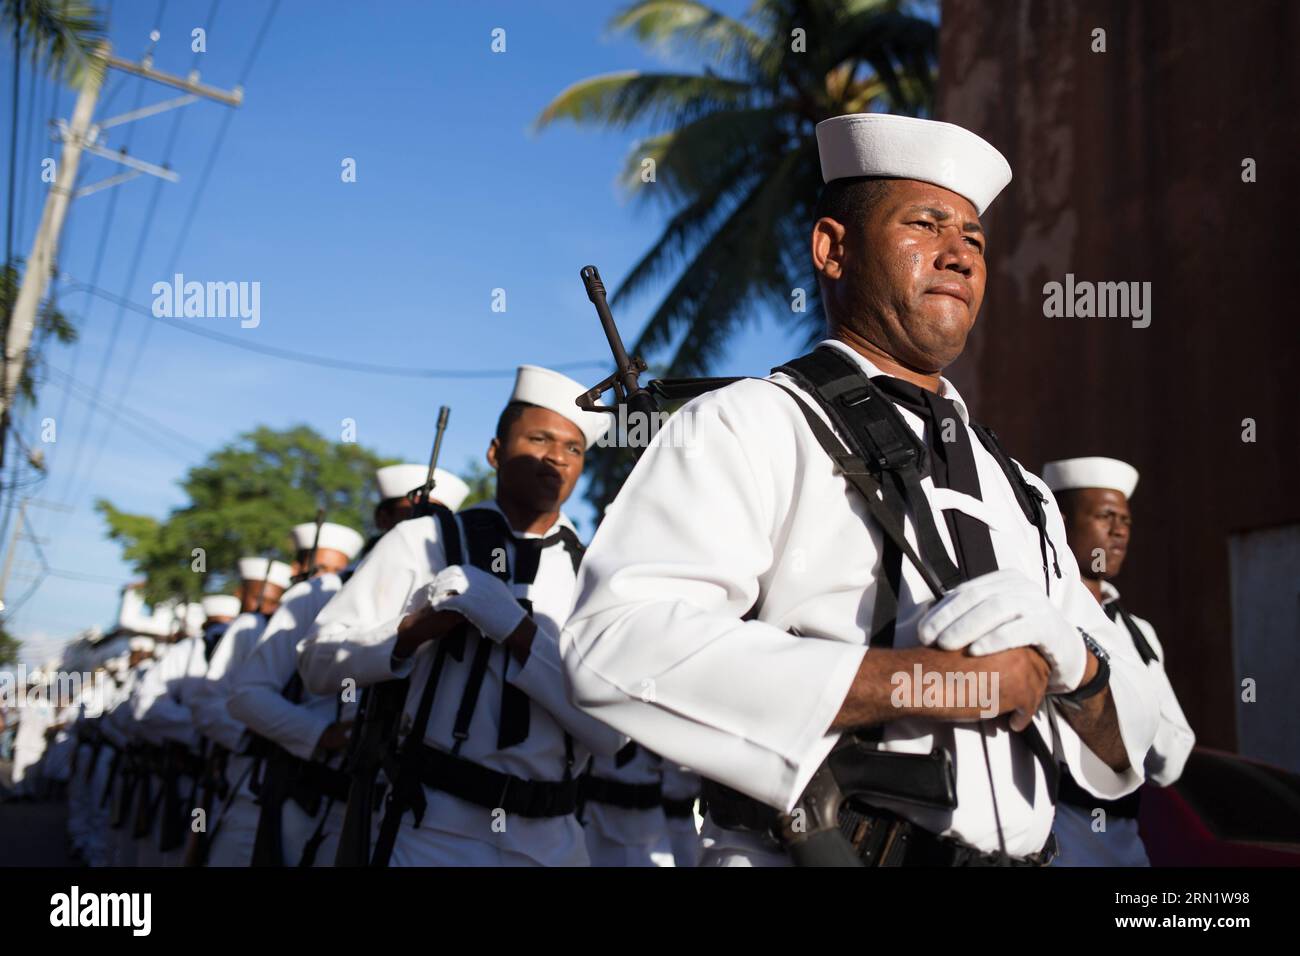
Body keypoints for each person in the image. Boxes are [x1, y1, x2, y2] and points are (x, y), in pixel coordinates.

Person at [562, 113, 1160, 867]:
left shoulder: (1025, 492)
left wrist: (1079, 665)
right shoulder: (753, 423)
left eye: (974, 239)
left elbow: (1132, 745)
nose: (960, 255)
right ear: (833, 249)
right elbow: (615, 643)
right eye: (927, 225)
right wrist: (934, 685)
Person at [299, 365, 623, 866]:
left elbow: (611, 732)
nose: (554, 459)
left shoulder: (595, 572)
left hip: (553, 840)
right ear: (495, 451)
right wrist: (410, 634)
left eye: (573, 448)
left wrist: (516, 633)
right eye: (537, 439)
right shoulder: (423, 540)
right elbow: (319, 663)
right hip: (433, 827)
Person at [1042, 456, 1195, 866]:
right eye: (1105, 516)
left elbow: (1172, 755)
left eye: (1125, 521)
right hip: (1053, 837)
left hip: (1127, 843)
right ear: (1060, 520)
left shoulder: (1138, 632)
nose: (1119, 532)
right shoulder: (1039, 611)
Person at [224, 521, 365, 866]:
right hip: (304, 789)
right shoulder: (317, 595)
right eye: (320, 567)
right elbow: (244, 696)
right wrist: (319, 734)